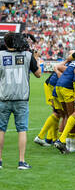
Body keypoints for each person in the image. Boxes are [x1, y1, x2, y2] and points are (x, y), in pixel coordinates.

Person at [0, 32, 41, 170]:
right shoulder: (28, 56)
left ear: (6, 43)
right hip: (21, 99)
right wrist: (36, 58)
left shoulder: (0, 55)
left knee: (1, 129)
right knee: (22, 130)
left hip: (4, 98)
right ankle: (21, 162)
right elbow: (38, 74)